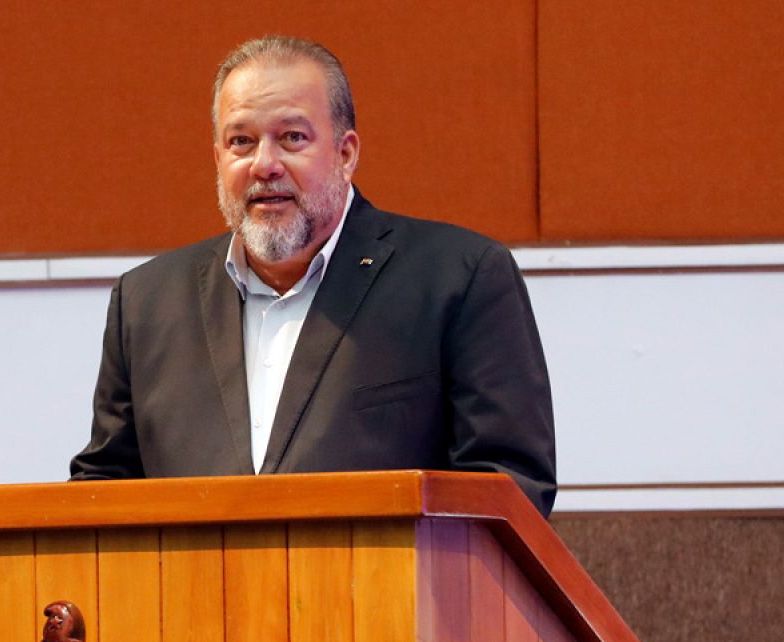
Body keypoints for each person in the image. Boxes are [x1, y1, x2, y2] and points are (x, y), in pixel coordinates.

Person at [68, 36, 557, 516]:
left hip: (385, 595)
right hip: (193, 596)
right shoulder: (147, 303)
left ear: (346, 155)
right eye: (241, 141)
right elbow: (102, 494)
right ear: (218, 158)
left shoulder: (459, 278)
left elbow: (507, 490)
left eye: (292, 138)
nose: (265, 164)